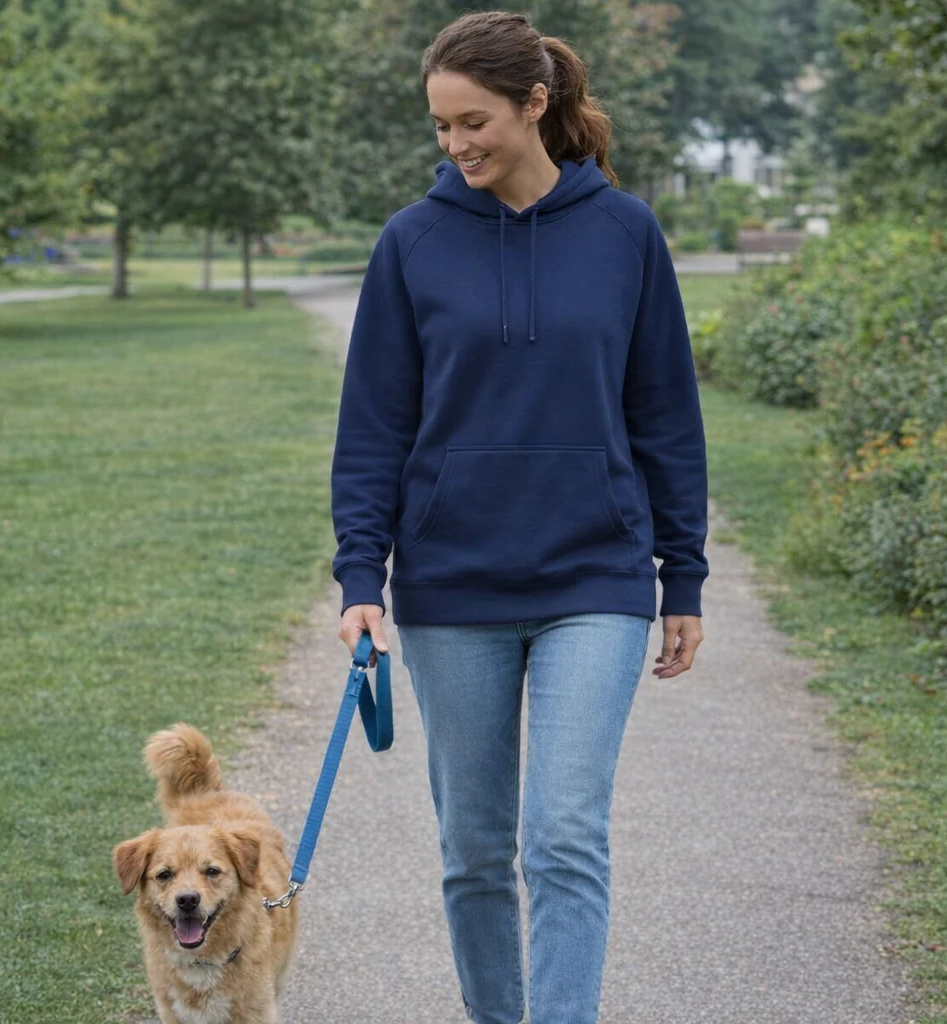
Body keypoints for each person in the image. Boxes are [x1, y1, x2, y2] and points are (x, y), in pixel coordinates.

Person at [330, 11, 708, 1024]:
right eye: (441, 128)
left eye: (473, 122)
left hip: (597, 576)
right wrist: (361, 579)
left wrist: (684, 576)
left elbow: (664, 412)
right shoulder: (411, 243)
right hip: (453, 588)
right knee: (474, 853)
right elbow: (373, 425)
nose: (455, 147)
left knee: (564, 836)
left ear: (534, 104)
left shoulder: (625, 233)